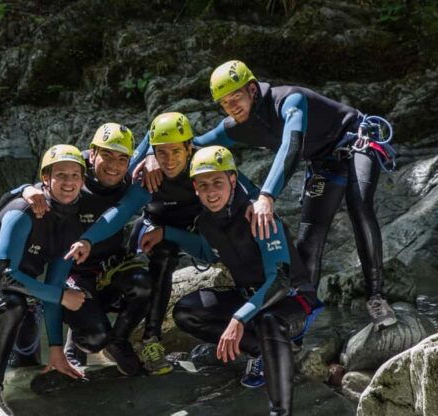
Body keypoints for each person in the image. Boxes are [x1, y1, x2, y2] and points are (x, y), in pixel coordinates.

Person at [135, 60, 396, 329]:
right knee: (309, 239)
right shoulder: (235, 126)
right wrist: (152, 152)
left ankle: (376, 298)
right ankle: (300, 322)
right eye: (224, 103)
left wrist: (266, 196)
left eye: (236, 97)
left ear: (252, 89)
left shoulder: (290, 101)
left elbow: (291, 146)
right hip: (324, 164)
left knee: (359, 204)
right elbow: (190, 143)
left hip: (356, 141)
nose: (232, 106)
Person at [154, 146, 321, 416]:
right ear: (195, 188)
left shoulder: (259, 214)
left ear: (233, 180)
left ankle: (280, 411)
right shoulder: (206, 221)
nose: (211, 192)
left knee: (269, 320)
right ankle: (259, 350)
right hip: (250, 298)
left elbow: (280, 281)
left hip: (293, 300)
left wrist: (239, 319)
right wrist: (165, 233)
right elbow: (209, 252)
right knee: (186, 312)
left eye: (217, 182)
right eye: (203, 185)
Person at [67, 112, 234, 375]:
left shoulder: (203, 165)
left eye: (176, 151)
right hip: (148, 230)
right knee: (158, 258)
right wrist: (87, 239)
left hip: (187, 231)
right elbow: (120, 212)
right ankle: (148, 340)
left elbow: (232, 148)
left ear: (189, 148)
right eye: (161, 152)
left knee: (168, 253)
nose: (169, 159)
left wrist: (264, 200)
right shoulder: (143, 174)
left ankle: (129, 339)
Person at [0, 145, 88, 416]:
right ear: (46, 178)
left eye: (75, 175)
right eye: (60, 175)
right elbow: (5, 276)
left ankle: (15, 383)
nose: (68, 182)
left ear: (82, 180)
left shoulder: (71, 223)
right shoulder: (23, 209)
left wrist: (56, 349)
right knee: (12, 304)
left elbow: (55, 286)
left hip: (19, 293)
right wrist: (60, 297)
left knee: (26, 366)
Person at [11, 123, 153, 376]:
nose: (113, 165)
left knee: (145, 285)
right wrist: (24, 189)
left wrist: (152, 156)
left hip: (110, 268)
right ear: (92, 153)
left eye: (122, 159)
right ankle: (79, 341)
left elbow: (155, 134)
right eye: (106, 155)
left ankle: (118, 342)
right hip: (71, 270)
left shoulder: (130, 174)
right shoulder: (73, 175)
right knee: (94, 337)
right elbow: (45, 184)